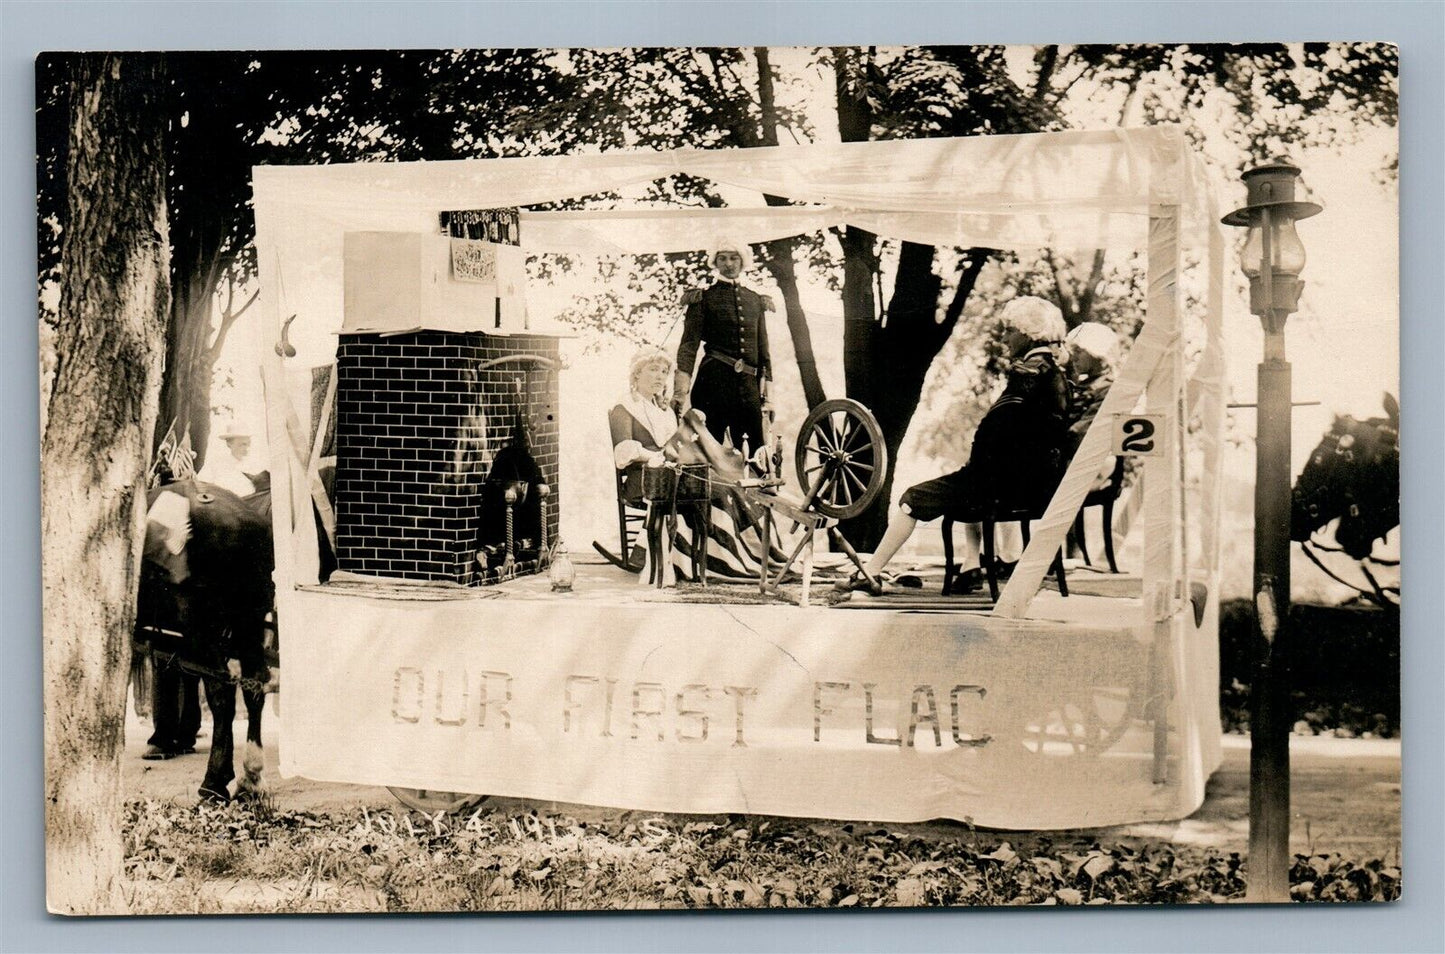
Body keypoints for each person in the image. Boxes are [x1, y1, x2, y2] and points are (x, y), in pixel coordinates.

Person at [840, 296, 1071, 594]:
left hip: (1002, 484)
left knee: (912, 499)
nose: (1005, 338)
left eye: (1009, 330)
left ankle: (870, 572)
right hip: (1033, 483)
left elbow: (1002, 429)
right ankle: (971, 566)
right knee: (959, 486)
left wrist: (980, 463)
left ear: (1028, 334)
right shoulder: (1055, 374)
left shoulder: (1028, 374)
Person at [673, 238, 775, 453]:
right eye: (722, 258)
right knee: (709, 452)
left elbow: (763, 350)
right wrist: (680, 392)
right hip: (712, 384)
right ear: (715, 262)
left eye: (733, 258)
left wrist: (768, 397)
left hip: (748, 388)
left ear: (742, 261)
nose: (728, 264)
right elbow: (688, 346)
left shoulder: (756, 300)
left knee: (755, 452)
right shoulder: (703, 298)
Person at [198, 425, 257, 498]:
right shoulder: (215, 464)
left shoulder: (255, 466)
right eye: (243, 444)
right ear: (229, 444)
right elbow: (201, 487)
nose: (247, 448)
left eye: (249, 444)